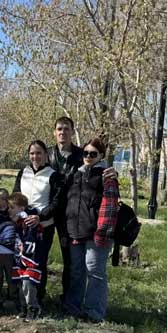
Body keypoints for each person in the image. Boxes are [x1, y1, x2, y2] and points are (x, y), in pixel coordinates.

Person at [46, 117, 117, 304]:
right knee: (44, 256)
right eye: (59, 129)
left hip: (74, 217)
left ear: (72, 131)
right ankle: (42, 296)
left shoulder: (80, 155)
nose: (63, 132)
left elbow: (97, 171)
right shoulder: (47, 154)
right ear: (54, 132)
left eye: (67, 129)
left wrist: (112, 172)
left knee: (73, 263)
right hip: (49, 212)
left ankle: (69, 299)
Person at [57, 137, 119, 322]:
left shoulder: (106, 176)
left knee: (95, 272)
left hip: (96, 234)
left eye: (93, 154)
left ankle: (94, 312)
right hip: (76, 232)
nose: (88, 157)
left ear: (101, 155)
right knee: (77, 271)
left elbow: (110, 206)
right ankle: (73, 307)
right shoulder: (76, 174)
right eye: (85, 153)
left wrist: (103, 232)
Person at [13, 140, 62, 303]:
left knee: (38, 261)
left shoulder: (53, 174)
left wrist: (40, 217)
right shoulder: (23, 172)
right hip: (23, 225)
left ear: (46, 155)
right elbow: (16, 195)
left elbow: (56, 202)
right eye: (32, 153)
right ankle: (21, 296)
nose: (35, 156)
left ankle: (37, 298)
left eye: (39, 153)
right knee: (21, 260)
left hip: (43, 226)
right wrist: (19, 214)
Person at [9, 193, 45, 322]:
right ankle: (23, 307)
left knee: (28, 284)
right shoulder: (15, 224)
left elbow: (37, 236)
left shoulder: (32, 223)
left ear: (22, 208)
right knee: (20, 285)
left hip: (31, 260)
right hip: (19, 259)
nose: (9, 210)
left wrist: (27, 221)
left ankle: (33, 308)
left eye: (12, 207)